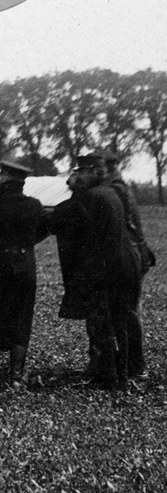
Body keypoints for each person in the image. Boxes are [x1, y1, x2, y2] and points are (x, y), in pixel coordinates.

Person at [50, 153, 140, 388]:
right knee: (119, 323)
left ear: (94, 172)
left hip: (104, 272)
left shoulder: (89, 197)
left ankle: (106, 377)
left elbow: (58, 217)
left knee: (101, 324)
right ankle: (123, 374)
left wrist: (72, 189)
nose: (77, 176)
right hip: (124, 267)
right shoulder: (111, 193)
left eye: (81, 172)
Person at [0, 159, 51, 390]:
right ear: (22, 181)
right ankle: (15, 379)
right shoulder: (35, 205)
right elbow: (44, 229)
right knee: (21, 318)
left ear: (4, 177)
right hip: (25, 265)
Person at [103, 152, 152, 379]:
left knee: (127, 313)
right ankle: (129, 365)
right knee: (129, 311)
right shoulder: (121, 187)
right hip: (134, 255)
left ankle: (133, 366)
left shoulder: (115, 190)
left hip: (127, 257)